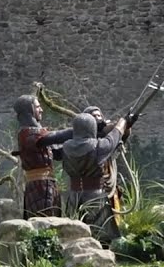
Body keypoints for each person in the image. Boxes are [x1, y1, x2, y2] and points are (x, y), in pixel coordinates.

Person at [61, 110, 130, 242]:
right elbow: (114, 136)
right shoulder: (98, 146)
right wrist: (124, 120)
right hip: (95, 196)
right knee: (101, 236)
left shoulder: (66, 147)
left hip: (74, 196)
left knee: (75, 235)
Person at [12, 94, 62, 218]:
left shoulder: (36, 134)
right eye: (38, 107)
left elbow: (58, 152)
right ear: (30, 111)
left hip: (47, 184)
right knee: (43, 222)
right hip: (40, 188)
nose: (41, 109)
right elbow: (57, 136)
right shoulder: (29, 134)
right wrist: (80, 130)